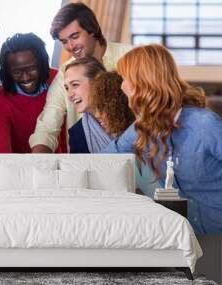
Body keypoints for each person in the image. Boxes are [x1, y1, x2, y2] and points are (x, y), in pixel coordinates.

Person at [104, 44, 222, 234]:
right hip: (191, 238)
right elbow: (103, 161)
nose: (121, 86)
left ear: (142, 82)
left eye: (124, 79)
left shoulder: (205, 125)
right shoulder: (141, 128)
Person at [29, 2, 132, 153]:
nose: (70, 46)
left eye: (75, 36)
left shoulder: (130, 58)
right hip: (86, 159)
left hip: (138, 155)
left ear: (92, 29)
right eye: (64, 41)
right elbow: (48, 126)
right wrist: (38, 164)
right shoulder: (65, 73)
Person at [64, 58, 159, 196]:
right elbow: (81, 184)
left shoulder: (134, 114)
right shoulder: (77, 134)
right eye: (66, 88)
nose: (70, 94)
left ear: (97, 81)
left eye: (75, 85)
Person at [0, 33, 66, 153]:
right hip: (21, 168)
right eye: (17, 72)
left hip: (64, 162)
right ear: (8, 71)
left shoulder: (59, 80)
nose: (25, 78)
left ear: (42, 64)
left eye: (31, 69)